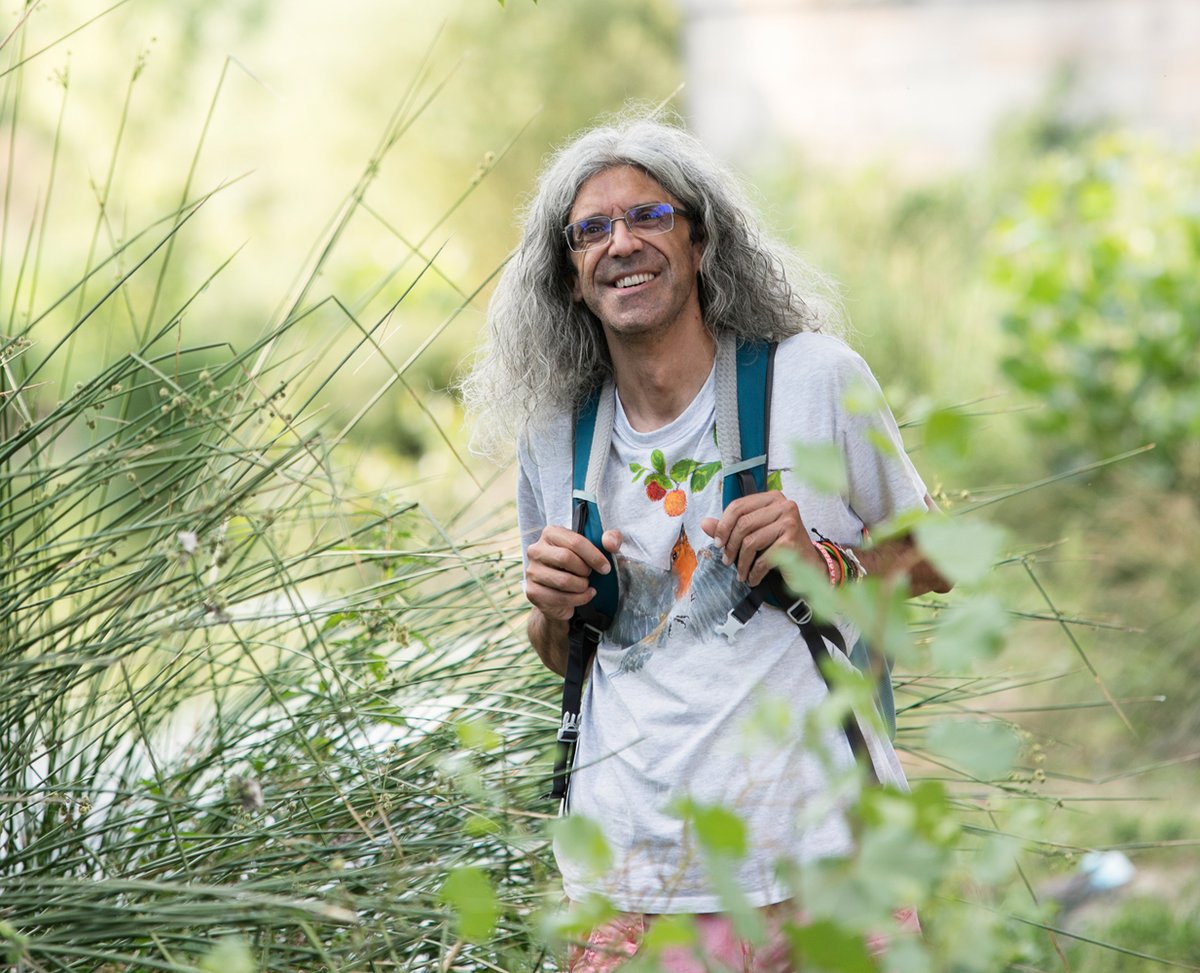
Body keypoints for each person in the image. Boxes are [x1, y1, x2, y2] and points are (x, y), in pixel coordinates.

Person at [462, 112, 951, 971]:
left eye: (649, 216)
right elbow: (561, 653)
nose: (622, 242)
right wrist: (550, 609)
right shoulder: (551, 431)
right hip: (629, 884)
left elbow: (934, 561)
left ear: (700, 242)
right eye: (592, 229)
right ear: (571, 275)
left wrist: (824, 559)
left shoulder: (816, 377)